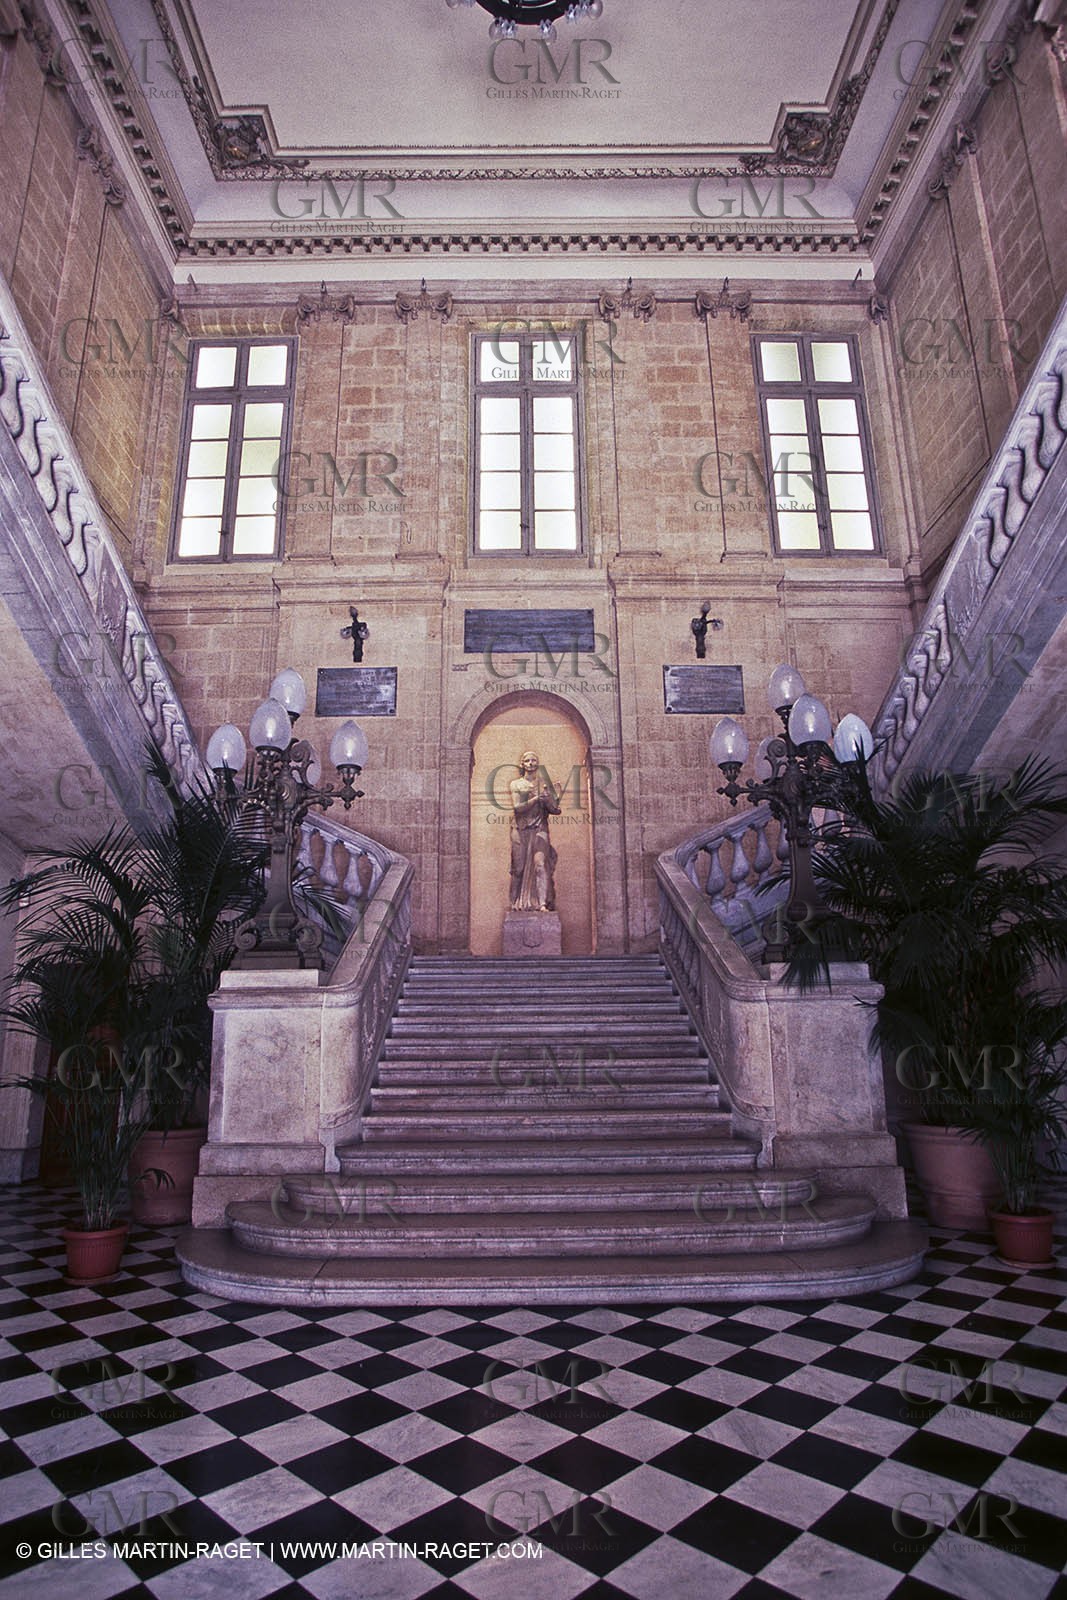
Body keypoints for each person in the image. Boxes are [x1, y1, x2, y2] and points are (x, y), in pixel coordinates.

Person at [508, 751, 561, 912]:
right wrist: (536, 799)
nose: (531, 763)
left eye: (533, 760)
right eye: (527, 760)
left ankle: (542, 903)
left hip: (540, 828)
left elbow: (554, 810)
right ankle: (514, 902)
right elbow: (517, 808)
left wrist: (551, 800)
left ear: (537, 764)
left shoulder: (544, 783)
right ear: (522, 764)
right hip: (521, 828)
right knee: (518, 867)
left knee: (540, 864)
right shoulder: (516, 784)